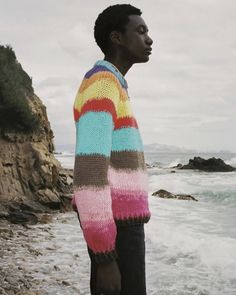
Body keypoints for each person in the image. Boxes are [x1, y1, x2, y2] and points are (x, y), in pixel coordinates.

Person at [72, 4, 153, 294]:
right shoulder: (103, 84)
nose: (149, 39)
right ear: (117, 38)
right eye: (140, 31)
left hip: (121, 229)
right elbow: (89, 174)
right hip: (118, 234)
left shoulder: (112, 85)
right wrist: (105, 258)